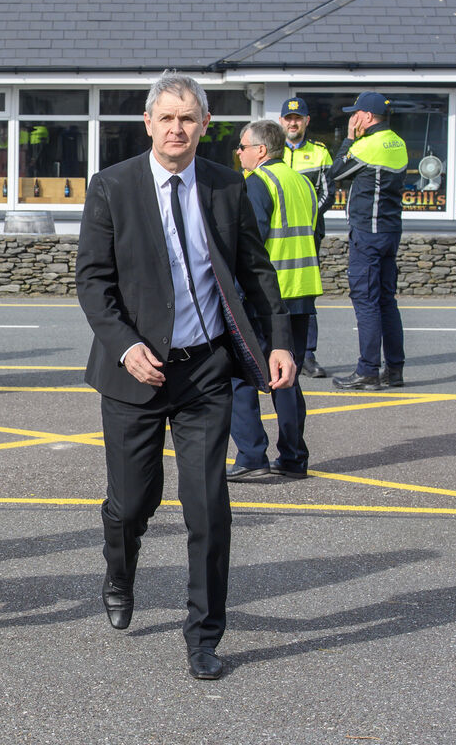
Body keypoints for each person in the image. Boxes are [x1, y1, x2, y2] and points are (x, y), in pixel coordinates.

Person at [75, 71, 295, 681]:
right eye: (166, 117)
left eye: (188, 118)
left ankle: (203, 634)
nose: (177, 128)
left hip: (204, 372)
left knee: (207, 508)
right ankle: (120, 571)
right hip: (134, 375)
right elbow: (92, 282)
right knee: (130, 505)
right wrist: (123, 347)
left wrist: (279, 341)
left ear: (204, 125)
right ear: (149, 124)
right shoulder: (112, 187)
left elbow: (256, 272)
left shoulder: (228, 187)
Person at [228, 121, 322, 481]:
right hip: (301, 291)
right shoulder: (301, 182)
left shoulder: (258, 183)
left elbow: (249, 246)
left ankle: (252, 455)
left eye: (242, 147)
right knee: (288, 377)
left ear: (261, 151)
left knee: (241, 375)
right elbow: (317, 233)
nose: (239, 153)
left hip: (266, 298)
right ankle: (294, 458)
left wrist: (235, 295)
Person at [328, 92, 409, 391]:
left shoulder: (367, 145)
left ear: (367, 117)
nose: (352, 119)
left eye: (355, 114)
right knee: (387, 301)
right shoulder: (397, 142)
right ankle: (395, 370)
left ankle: (368, 371)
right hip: (390, 231)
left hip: (368, 232)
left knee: (366, 301)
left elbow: (336, 171)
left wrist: (349, 138)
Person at [279, 97, 334, 379]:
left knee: (305, 292)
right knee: (274, 291)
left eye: (297, 118)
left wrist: (305, 219)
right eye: (288, 118)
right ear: (281, 121)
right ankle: (278, 350)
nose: (292, 122)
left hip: (308, 234)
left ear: (306, 121)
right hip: (277, 236)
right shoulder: (272, 151)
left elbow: (327, 194)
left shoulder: (320, 153)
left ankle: (307, 355)